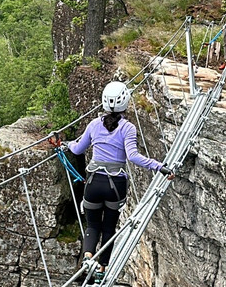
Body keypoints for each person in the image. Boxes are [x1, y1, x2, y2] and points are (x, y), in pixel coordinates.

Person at [52, 82, 173, 275]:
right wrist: (159, 166)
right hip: (115, 185)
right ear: (125, 102)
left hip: (93, 183)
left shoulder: (93, 125)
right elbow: (133, 156)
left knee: (92, 225)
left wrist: (65, 144)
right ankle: (101, 269)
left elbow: (77, 149)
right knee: (108, 227)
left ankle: (87, 259)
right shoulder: (128, 128)